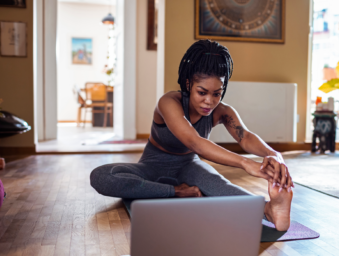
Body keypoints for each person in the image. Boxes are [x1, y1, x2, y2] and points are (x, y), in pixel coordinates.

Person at [90, 40, 294, 231]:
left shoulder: (222, 111)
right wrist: (245, 163)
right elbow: (194, 141)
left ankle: (268, 210)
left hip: (189, 167)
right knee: (102, 176)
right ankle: (176, 191)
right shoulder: (169, 103)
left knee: (220, 185)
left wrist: (273, 153)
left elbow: (245, 137)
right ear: (188, 84)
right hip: (152, 166)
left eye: (217, 93)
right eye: (202, 92)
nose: (209, 101)